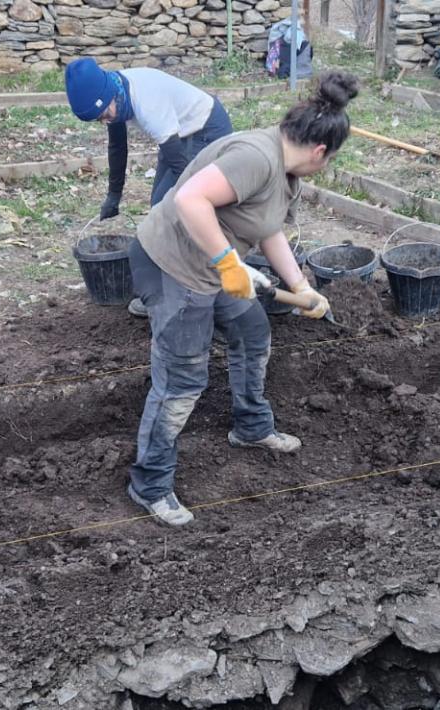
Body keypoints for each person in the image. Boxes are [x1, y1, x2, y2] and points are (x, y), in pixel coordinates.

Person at [125, 72, 359, 526]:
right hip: (172, 264)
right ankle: (149, 483)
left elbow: (268, 228)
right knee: (182, 380)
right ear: (319, 152)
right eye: (329, 162)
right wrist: (230, 263)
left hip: (211, 267)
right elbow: (190, 199)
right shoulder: (256, 156)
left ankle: (251, 428)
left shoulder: (288, 174)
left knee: (252, 332)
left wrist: (301, 285)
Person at [65, 57, 234, 317]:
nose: (105, 122)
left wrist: (193, 204)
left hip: (206, 129)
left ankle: (197, 291)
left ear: (111, 97)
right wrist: (114, 195)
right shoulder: (115, 94)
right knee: (159, 206)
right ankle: (163, 288)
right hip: (179, 133)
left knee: (179, 210)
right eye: (99, 120)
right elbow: (117, 147)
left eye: (104, 115)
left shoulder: (147, 103)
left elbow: (184, 176)